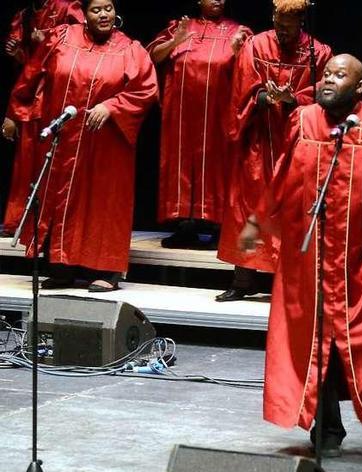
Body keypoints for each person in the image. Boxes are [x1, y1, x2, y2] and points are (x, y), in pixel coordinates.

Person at [238, 54, 362, 458]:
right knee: (314, 341)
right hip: (309, 256)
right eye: (326, 74)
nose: (328, 81)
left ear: (359, 87)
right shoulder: (304, 120)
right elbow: (282, 173)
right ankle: (326, 429)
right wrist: (258, 220)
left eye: (340, 76)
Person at [1, 0, 158, 291]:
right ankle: (62, 267)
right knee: (61, 200)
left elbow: (146, 89)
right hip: (65, 138)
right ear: (84, 14)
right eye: (96, 9)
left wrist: (113, 106)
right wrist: (14, 112)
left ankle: (106, 270)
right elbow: (31, 73)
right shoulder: (61, 37)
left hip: (106, 145)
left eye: (108, 8)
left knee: (103, 204)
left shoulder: (130, 49)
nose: (104, 15)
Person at [215, 0, 332, 302]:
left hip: (297, 142)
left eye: (289, 28)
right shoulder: (256, 45)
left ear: (302, 22)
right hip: (259, 139)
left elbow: (324, 95)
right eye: (279, 26)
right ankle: (243, 280)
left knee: (293, 210)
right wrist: (267, 97)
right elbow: (243, 87)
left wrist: (292, 99)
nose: (283, 33)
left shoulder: (319, 52)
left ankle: (291, 282)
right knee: (248, 205)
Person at [148, 0, 251, 249]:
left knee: (218, 165)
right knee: (181, 165)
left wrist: (239, 51)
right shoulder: (181, 27)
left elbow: (250, 69)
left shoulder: (238, 31)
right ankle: (186, 226)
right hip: (181, 116)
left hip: (219, 114)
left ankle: (219, 225)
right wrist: (176, 41)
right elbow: (152, 57)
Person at [2, 0, 84, 237]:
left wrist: (48, 40)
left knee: (53, 160)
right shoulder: (24, 14)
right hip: (31, 87)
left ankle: (51, 221)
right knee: (26, 160)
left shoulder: (68, 8)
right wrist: (18, 54)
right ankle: (19, 219)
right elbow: (29, 63)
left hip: (59, 90)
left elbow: (82, 44)